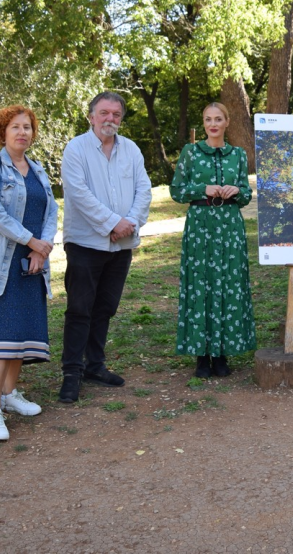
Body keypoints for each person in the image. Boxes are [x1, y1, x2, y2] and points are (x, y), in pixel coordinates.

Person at [59, 92, 152, 403]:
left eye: (116, 114)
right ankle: (72, 372)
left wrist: (129, 223)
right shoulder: (76, 149)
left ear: (121, 119)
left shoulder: (132, 150)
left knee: (105, 308)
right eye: (104, 113)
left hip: (121, 245)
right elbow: (78, 194)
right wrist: (112, 223)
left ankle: (95, 366)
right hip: (85, 243)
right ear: (91, 116)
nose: (110, 119)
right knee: (79, 309)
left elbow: (144, 190)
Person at [0, 105, 58, 441]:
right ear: (2, 132)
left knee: (21, 330)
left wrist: (42, 249)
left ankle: (9, 395)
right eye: (15, 127)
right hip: (1, 263)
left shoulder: (37, 169)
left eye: (27, 127)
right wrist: (31, 241)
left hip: (33, 260)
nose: (22, 132)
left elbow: (51, 211)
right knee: (1, 334)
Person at [170, 103, 257, 378]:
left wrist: (236, 191)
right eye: (208, 119)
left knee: (228, 283)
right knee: (201, 284)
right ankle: (201, 355)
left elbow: (246, 195)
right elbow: (176, 190)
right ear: (204, 123)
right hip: (200, 224)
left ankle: (221, 354)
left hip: (230, 225)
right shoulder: (191, 152)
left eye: (218, 119)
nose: (213, 124)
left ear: (227, 122)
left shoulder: (238, 155)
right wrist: (203, 189)